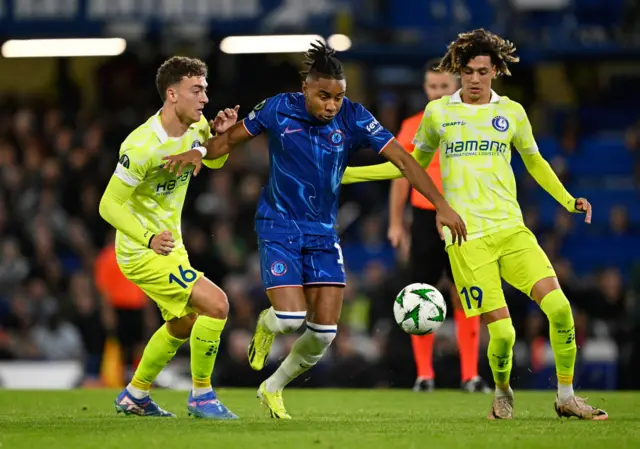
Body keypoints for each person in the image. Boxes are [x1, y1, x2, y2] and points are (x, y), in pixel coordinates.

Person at [162, 41, 467, 419]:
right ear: (305, 88)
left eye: (339, 97)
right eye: (324, 96)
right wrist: (202, 151)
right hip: (279, 224)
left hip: (323, 232)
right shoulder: (278, 108)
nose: (332, 106)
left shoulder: (353, 116)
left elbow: (404, 160)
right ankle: (267, 324)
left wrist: (441, 205)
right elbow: (230, 138)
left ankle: (272, 387)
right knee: (290, 319)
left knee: (324, 333)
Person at [340, 29, 608, 421]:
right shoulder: (439, 114)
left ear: (496, 71)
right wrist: (344, 175)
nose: (476, 79)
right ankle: (502, 394)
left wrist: (568, 200)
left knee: (562, 310)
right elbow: (407, 165)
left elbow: (535, 163)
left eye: (484, 71)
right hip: (466, 237)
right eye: (469, 71)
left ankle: (566, 396)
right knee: (503, 334)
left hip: (512, 231)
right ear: (458, 72)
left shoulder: (512, 112)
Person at [99, 56, 240, 419]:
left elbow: (213, 163)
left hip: (170, 247)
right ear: (173, 94)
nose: (205, 99)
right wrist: (146, 238)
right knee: (217, 304)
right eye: (197, 90)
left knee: (185, 322)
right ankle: (202, 395)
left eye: (206, 90)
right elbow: (108, 206)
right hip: (141, 250)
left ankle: (135, 394)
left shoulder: (196, 128)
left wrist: (222, 136)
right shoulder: (142, 145)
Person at [388, 59, 489, 393]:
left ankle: (470, 375)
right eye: (432, 87)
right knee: (421, 297)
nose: (436, 93)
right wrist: (395, 223)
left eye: (443, 87)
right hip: (421, 217)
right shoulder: (413, 125)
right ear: (425, 88)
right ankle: (424, 375)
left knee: (466, 296)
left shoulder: (470, 123)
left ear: (456, 87)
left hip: (462, 217)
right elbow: (401, 177)